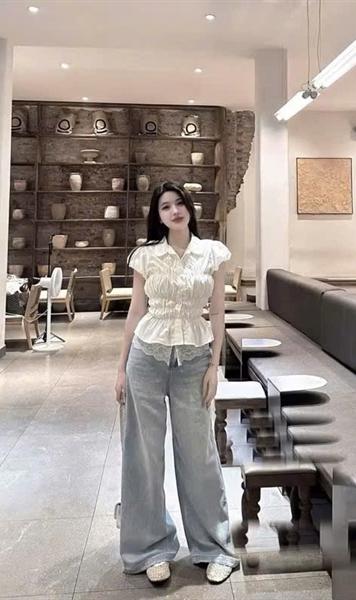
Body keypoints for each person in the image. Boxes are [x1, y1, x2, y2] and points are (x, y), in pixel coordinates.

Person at [114, 181, 239, 585]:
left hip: (194, 359)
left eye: (179, 203)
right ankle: (151, 548)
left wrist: (214, 365)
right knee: (143, 455)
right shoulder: (146, 255)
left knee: (199, 454)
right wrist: (121, 368)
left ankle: (213, 547)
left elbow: (216, 313)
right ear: (159, 215)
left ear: (189, 208)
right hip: (146, 358)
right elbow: (136, 312)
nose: (174, 210)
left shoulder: (213, 253)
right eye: (165, 206)